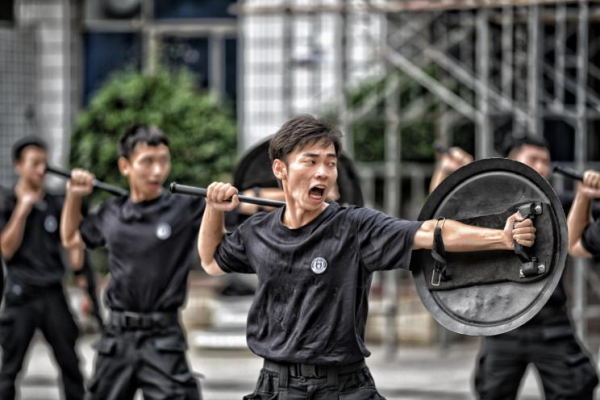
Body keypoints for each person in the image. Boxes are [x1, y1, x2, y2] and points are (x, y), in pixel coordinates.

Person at [198, 115, 536, 399]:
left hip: (344, 387)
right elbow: (211, 261)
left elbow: (430, 232)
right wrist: (214, 210)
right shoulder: (258, 231)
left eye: (330, 163)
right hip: (277, 386)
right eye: (311, 161)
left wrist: (502, 238)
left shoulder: (355, 226)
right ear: (280, 169)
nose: (323, 172)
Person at [431, 136, 599, 400]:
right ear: (512, 162)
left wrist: (584, 196)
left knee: (575, 389)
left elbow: (579, 238)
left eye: (546, 161)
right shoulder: (485, 200)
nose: (542, 167)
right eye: (534, 159)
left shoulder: (557, 203)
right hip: (502, 322)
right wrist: (449, 172)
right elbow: (438, 219)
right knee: (492, 392)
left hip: (551, 322)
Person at [60, 125, 204, 400]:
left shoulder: (183, 207)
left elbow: (239, 206)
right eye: (147, 162)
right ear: (125, 166)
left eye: (163, 160)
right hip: (117, 338)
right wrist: (74, 195)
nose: (158, 171)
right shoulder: (111, 212)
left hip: (163, 338)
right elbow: (71, 239)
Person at [0, 136, 87, 400]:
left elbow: (73, 246)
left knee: (71, 364)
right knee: (9, 369)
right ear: (19, 166)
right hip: (21, 293)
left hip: (53, 292)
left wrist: (84, 289)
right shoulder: (7, 202)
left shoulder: (56, 202)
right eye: (35, 163)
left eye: (45, 163)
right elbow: (5, 249)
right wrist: (23, 209)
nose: (42, 170)